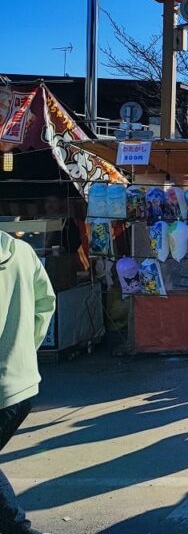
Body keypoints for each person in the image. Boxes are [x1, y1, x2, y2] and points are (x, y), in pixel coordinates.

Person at [0, 228, 56, 534]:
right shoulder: (22, 251)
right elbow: (46, 303)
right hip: (22, 383)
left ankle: (18, 528)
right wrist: (23, 351)